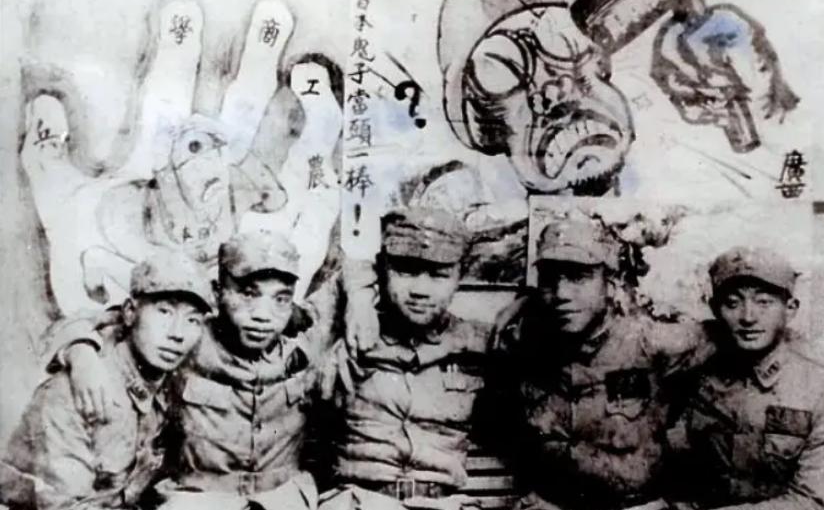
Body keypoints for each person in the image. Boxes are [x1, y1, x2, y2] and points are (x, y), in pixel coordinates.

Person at [52, 230, 340, 510]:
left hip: (283, 498)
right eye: (248, 294)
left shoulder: (304, 343)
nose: (263, 316)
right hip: (198, 498)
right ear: (218, 292)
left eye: (280, 299)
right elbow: (105, 322)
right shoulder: (189, 336)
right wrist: (80, 352)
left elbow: (345, 284)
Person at [489, 218, 713, 510]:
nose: (561, 294)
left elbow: (734, 334)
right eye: (550, 278)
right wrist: (525, 301)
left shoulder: (652, 341)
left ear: (611, 283)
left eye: (579, 277)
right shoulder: (526, 342)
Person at [0, 250, 212, 510]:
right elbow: (64, 506)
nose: (177, 334)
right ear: (130, 312)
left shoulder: (169, 380)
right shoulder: (80, 390)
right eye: (164, 312)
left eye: (192, 320)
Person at [319, 207, 493, 510]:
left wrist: (523, 303)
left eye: (438, 275)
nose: (420, 290)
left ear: (460, 276)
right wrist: (357, 295)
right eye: (406, 271)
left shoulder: (480, 344)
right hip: (360, 503)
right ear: (382, 269)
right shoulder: (348, 334)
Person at [668, 246, 824, 510]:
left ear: (790, 309)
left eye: (764, 302)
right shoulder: (696, 376)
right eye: (733, 303)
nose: (748, 317)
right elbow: (681, 483)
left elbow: (812, 503)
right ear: (715, 309)